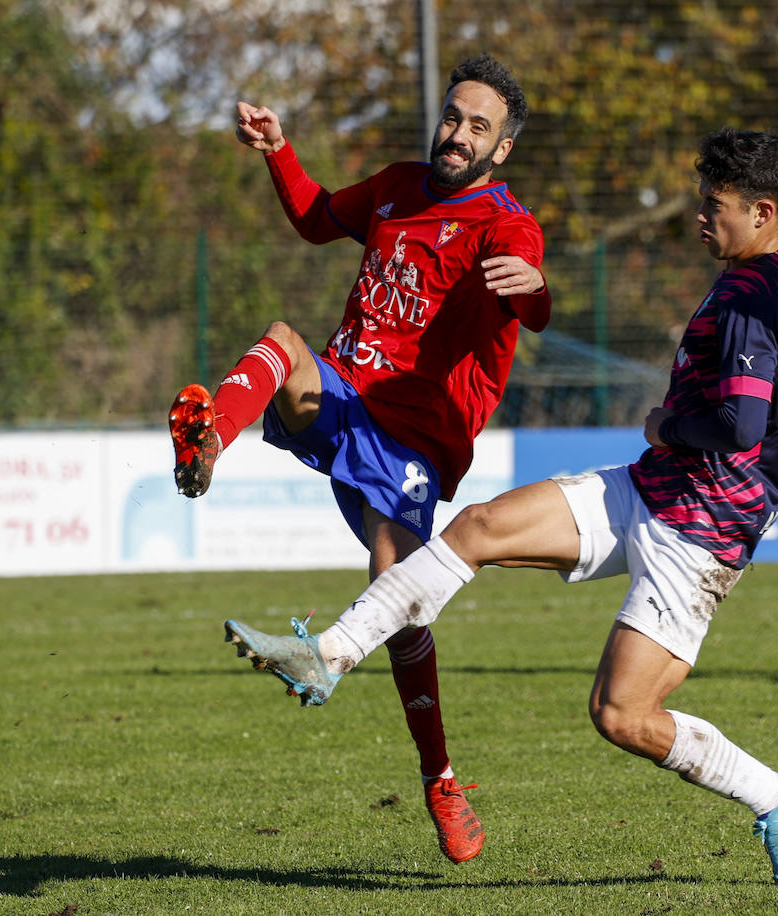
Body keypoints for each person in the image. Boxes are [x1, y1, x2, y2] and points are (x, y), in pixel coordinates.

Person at [222, 128, 778, 887]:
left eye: (714, 206)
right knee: (477, 528)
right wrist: (751, 449)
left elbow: (739, 424)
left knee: (622, 716)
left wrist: (672, 427)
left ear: (764, 210)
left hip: (700, 533)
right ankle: (328, 656)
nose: (699, 218)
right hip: (655, 487)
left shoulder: (753, 294)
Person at [169, 54, 551, 864]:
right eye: (453, 115)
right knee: (281, 344)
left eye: (479, 127)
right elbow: (313, 218)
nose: (458, 134)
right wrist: (279, 149)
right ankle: (208, 441)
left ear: (501, 149)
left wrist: (533, 287)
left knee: (402, 600)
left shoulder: (504, 223)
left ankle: (441, 780)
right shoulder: (395, 184)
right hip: (345, 398)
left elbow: (536, 295)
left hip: (416, 440)